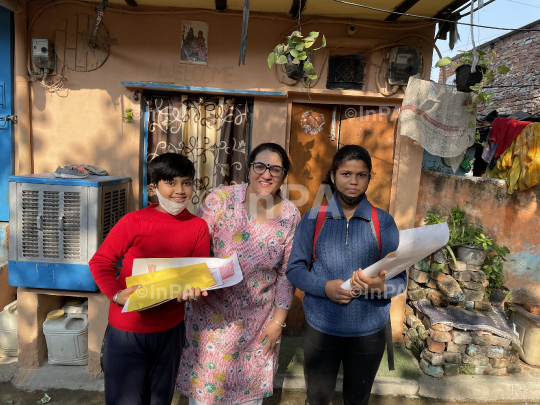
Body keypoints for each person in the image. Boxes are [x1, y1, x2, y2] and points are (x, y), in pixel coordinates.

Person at [176, 142, 301, 405]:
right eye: (260, 166)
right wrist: (188, 281)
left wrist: (278, 322)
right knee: (205, 396)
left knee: (247, 398)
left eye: (275, 169)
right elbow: (195, 247)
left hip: (258, 324)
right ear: (249, 168)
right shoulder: (220, 200)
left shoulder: (290, 214)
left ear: (284, 176)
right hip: (210, 320)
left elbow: (287, 274)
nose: (266, 175)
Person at [286, 145, 406, 405]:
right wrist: (324, 288)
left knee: (357, 399)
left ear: (369, 178)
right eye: (346, 174)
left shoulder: (383, 222)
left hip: (368, 332)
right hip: (320, 328)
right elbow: (294, 270)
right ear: (332, 175)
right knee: (317, 398)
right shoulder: (313, 219)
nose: (353, 181)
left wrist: (380, 287)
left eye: (361, 175)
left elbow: (400, 282)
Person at [89, 153, 210, 405]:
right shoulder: (134, 221)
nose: (179, 190)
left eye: (186, 183)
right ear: (153, 187)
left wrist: (194, 291)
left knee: (160, 399)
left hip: (171, 330)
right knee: (126, 399)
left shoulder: (198, 227)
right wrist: (115, 294)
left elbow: (197, 273)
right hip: (128, 328)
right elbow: (101, 262)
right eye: (171, 182)